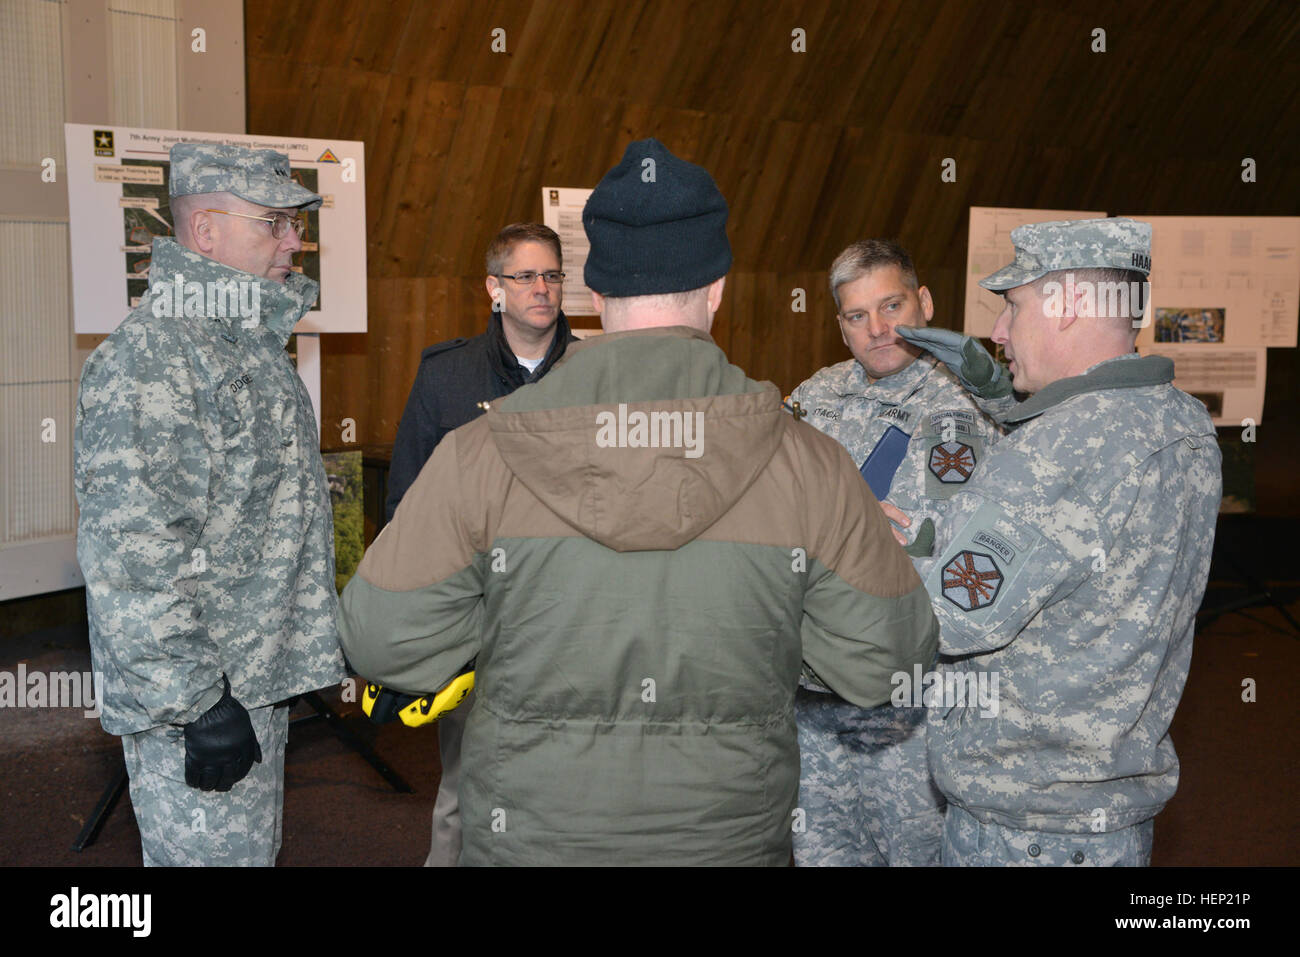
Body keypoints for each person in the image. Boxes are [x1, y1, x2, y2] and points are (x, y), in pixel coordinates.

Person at [340, 138, 938, 865]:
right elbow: (887, 662)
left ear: (594, 293)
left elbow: (378, 639)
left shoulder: (480, 454)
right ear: (718, 288)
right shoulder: (813, 465)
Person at [894, 218, 1222, 865]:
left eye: (1012, 305)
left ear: (1070, 303)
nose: (1000, 331)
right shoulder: (1184, 422)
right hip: (1109, 828)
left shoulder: (1059, 448)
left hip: (1021, 835)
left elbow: (930, 623)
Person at [74, 143, 346, 866]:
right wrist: (197, 701)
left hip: (250, 678)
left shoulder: (245, 344)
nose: (294, 239)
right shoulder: (156, 357)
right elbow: (135, 555)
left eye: (296, 222)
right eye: (274, 221)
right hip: (201, 698)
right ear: (206, 233)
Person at [787, 239, 1002, 867]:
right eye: (858, 316)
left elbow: (953, 545)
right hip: (813, 691)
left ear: (925, 301)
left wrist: (827, 528)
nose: (879, 329)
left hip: (914, 703)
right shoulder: (811, 400)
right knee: (820, 853)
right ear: (841, 326)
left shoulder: (972, 403)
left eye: (892, 306)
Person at [383, 222, 576, 866]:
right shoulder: (447, 374)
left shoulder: (595, 372)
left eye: (551, 274)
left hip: (572, 619)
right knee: (466, 788)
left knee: (572, 789)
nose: (541, 289)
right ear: (494, 288)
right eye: (525, 276)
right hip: (479, 622)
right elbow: (406, 503)